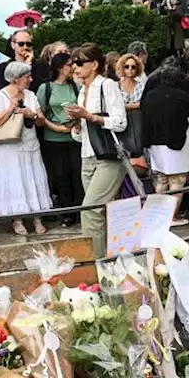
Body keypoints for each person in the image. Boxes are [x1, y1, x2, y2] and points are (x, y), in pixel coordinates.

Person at [66, 43, 129, 256]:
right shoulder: (82, 90)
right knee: (102, 212)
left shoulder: (107, 85)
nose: (75, 67)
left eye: (80, 62)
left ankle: (96, 264)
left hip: (109, 157)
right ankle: (110, 263)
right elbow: (79, 136)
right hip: (87, 156)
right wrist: (75, 123)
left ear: (94, 65)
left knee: (90, 211)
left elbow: (121, 122)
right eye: (73, 63)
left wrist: (90, 117)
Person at [0, 62, 51, 236]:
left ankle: (37, 217)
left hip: (29, 143)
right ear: (16, 79)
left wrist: (31, 114)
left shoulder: (31, 95)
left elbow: (41, 120)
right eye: (27, 77)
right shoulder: (0, 96)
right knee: (15, 178)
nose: (30, 80)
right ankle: (17, 219)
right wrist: (11, 108)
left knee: (33, 176)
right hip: (8, 147)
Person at [142, 59, 189, 226]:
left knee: (161, 180)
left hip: (155, 145)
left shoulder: (150, 96)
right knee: (177, 182)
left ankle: (158, 215)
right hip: (178, 145)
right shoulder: (183, 97)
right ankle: (172, 216)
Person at [35, 52, 83, 227]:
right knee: (60, 176)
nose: (73, 68)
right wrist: (55, 127)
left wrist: (77, 121)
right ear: (60, 67)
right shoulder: (46, 88)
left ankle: (80, 211)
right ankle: (67, 213)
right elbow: (39, 114)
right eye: (70, 64)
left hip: (75, 136)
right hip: (54, 138)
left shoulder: (76, 86)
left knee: (77, 175)